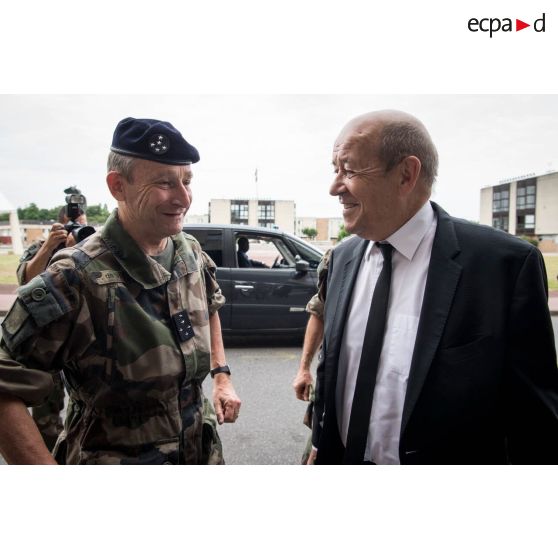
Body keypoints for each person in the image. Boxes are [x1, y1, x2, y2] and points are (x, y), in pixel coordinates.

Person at [310, 109, 558, 465]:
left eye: (348, 170)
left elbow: (534, 419)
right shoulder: (342, 259)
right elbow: (331, 365)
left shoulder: (504, 266)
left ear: (406, 174)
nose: (335, 186)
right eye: (335, 170)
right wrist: (321, 441)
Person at [0, 117, 241, 465]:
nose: (184, 197)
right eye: (164, 182)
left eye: (187, 181)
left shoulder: (189, 251)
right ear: (118, 186)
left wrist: (221, 377)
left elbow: (210, 306)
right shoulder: (76, 277)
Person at [16, 207, 88, 451]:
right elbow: (25, 279)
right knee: (47, 408)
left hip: (82, 336)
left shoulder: (90, 244)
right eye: (74, 223)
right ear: (61, 223)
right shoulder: (41, 245)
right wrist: (50, 247)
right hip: (48, 338)